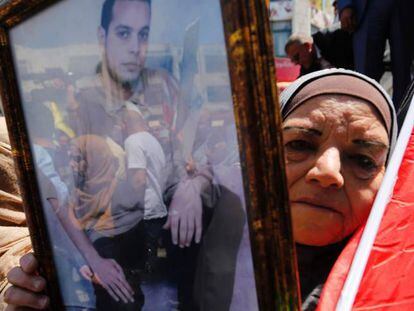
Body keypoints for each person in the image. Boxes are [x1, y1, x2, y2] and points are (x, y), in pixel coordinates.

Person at [4, 68, 398, 310]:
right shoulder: (213, 222)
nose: (327, 172)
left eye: (363, 160)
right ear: (259, 154)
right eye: (299, 144)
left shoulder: (398, 284)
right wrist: (42, 289)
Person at [337, 0, 414, 109]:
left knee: (404, 75)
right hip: (367, 7)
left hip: (406, 7)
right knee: (365, 78)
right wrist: (345, 4)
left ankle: (401, 121)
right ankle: (364, 118)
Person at [285, 29, 353, 76]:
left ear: (307, 46)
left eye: (296, 57)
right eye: (293, 61)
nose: (297, 63)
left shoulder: (334, 39)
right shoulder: (306, 65)